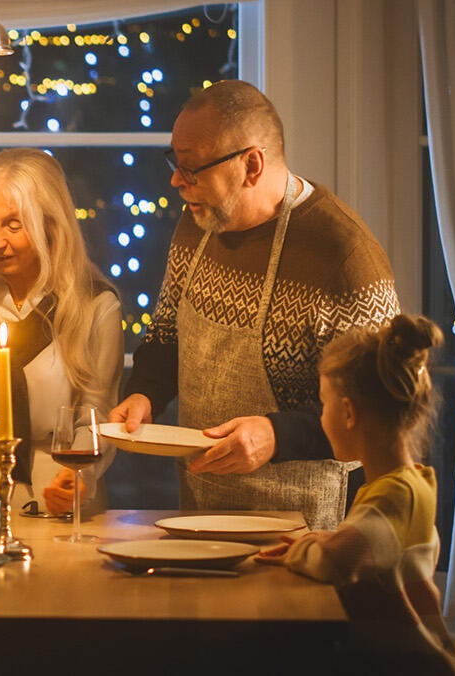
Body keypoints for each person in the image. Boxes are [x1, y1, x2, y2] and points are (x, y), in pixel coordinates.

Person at [100, 79, 401, 530]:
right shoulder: (197, 222)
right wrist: (145, 393)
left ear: (252, 164)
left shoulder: (343, 256)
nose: (176, 181)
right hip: (205, 506)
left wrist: (275, 435)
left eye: (192, 168)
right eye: (175, 163)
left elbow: (378, 412)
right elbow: (167, 335)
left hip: (311, 527)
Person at [257, 314, 455, 674]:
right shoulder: (415, 483)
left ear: (348, 412)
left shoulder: (390, 499)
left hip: (402, 665)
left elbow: (332, 563)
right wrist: (324, 539)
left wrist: (307, 547)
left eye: (324, 404)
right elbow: (371, 548)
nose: (321, 419)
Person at [0, 148, 122, 514]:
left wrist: (79, 475)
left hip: (69, 497)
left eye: (13, 225)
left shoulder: (95, 306)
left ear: (50, 224)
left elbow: (98, 413)